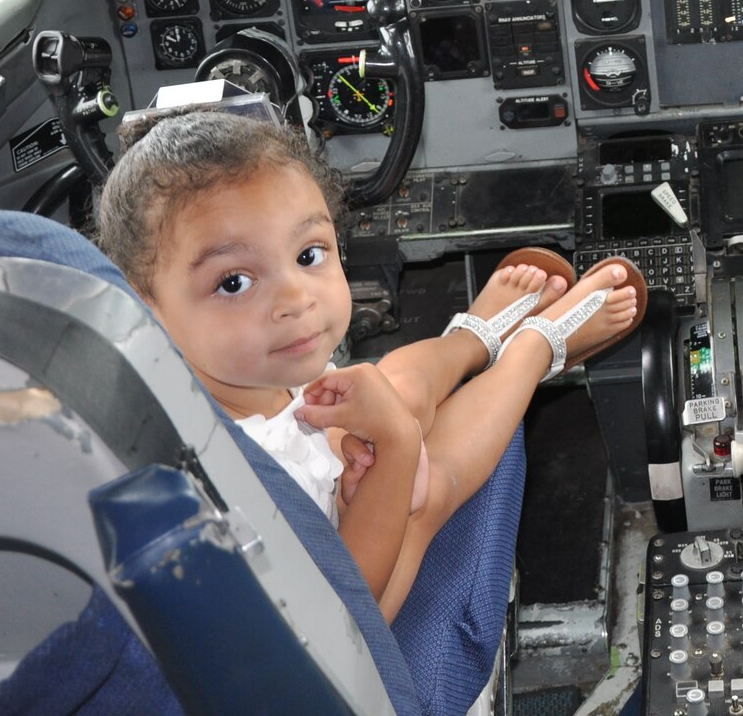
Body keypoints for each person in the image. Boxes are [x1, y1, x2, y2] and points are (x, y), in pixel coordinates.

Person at [94, 108, 643, 621]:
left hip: (312, 475)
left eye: (309, 255)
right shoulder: (223, 482)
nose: (297, 298)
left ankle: (473, 340)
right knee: (427, 489)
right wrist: (399, 445)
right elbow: (347, 603)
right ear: (144, 305)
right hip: (347, 607)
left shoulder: (242, 370)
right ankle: (532, 350)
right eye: (233, 282)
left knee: (388, 384)